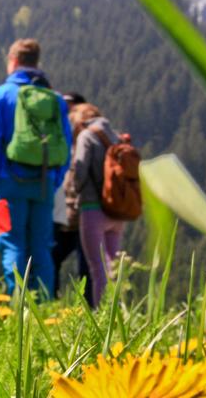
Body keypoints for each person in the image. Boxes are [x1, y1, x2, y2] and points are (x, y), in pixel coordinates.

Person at [0, 39, 72, 297]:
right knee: (42, 246)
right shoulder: (54, 99)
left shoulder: (0, 95)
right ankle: (44, 304)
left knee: (12, 243)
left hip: (6, 182)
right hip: (44, 183)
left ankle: (18, 302)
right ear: (36, 62)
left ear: (13, 61)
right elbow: (66, 144)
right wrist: (55, 179)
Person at [72, 103, 124, 305]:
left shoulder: (86, 135)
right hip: (117, 210)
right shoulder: (115, 136)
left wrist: (76, 189)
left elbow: (80, 169)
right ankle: (118, 310)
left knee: (98, 267)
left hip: (93, 208)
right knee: (115, 266)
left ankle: (103, 317)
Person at [51, 92, 91, 301]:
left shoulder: (85, 140)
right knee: (53, 259)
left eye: (71, 109)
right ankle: (52, 302)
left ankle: (88, 307)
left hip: (79, 212)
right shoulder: (63, 139)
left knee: (85, 266)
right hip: (65, 213)